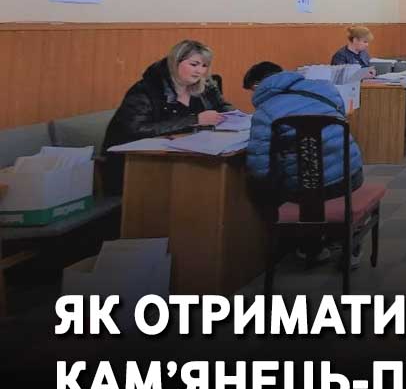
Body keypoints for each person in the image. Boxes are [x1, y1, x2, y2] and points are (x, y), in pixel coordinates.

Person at [243, 61, 365, 267]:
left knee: (277, 184)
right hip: (352, 174)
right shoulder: (326, 88)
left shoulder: (265, 111)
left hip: (306, 189)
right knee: (316, 173)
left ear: (257, 86)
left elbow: (259, 167)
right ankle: (345, 239)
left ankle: (310, 247)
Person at [102, 40, 234, 194]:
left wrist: (233, 116)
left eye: (204, 66)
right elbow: (135, 129)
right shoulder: (146, 90)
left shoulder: (206, 86)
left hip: (186, 158)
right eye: (194, 64)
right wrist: (194, 120)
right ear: (175, 62)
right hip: (134, 164)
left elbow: (223, 106)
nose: (200, 71)